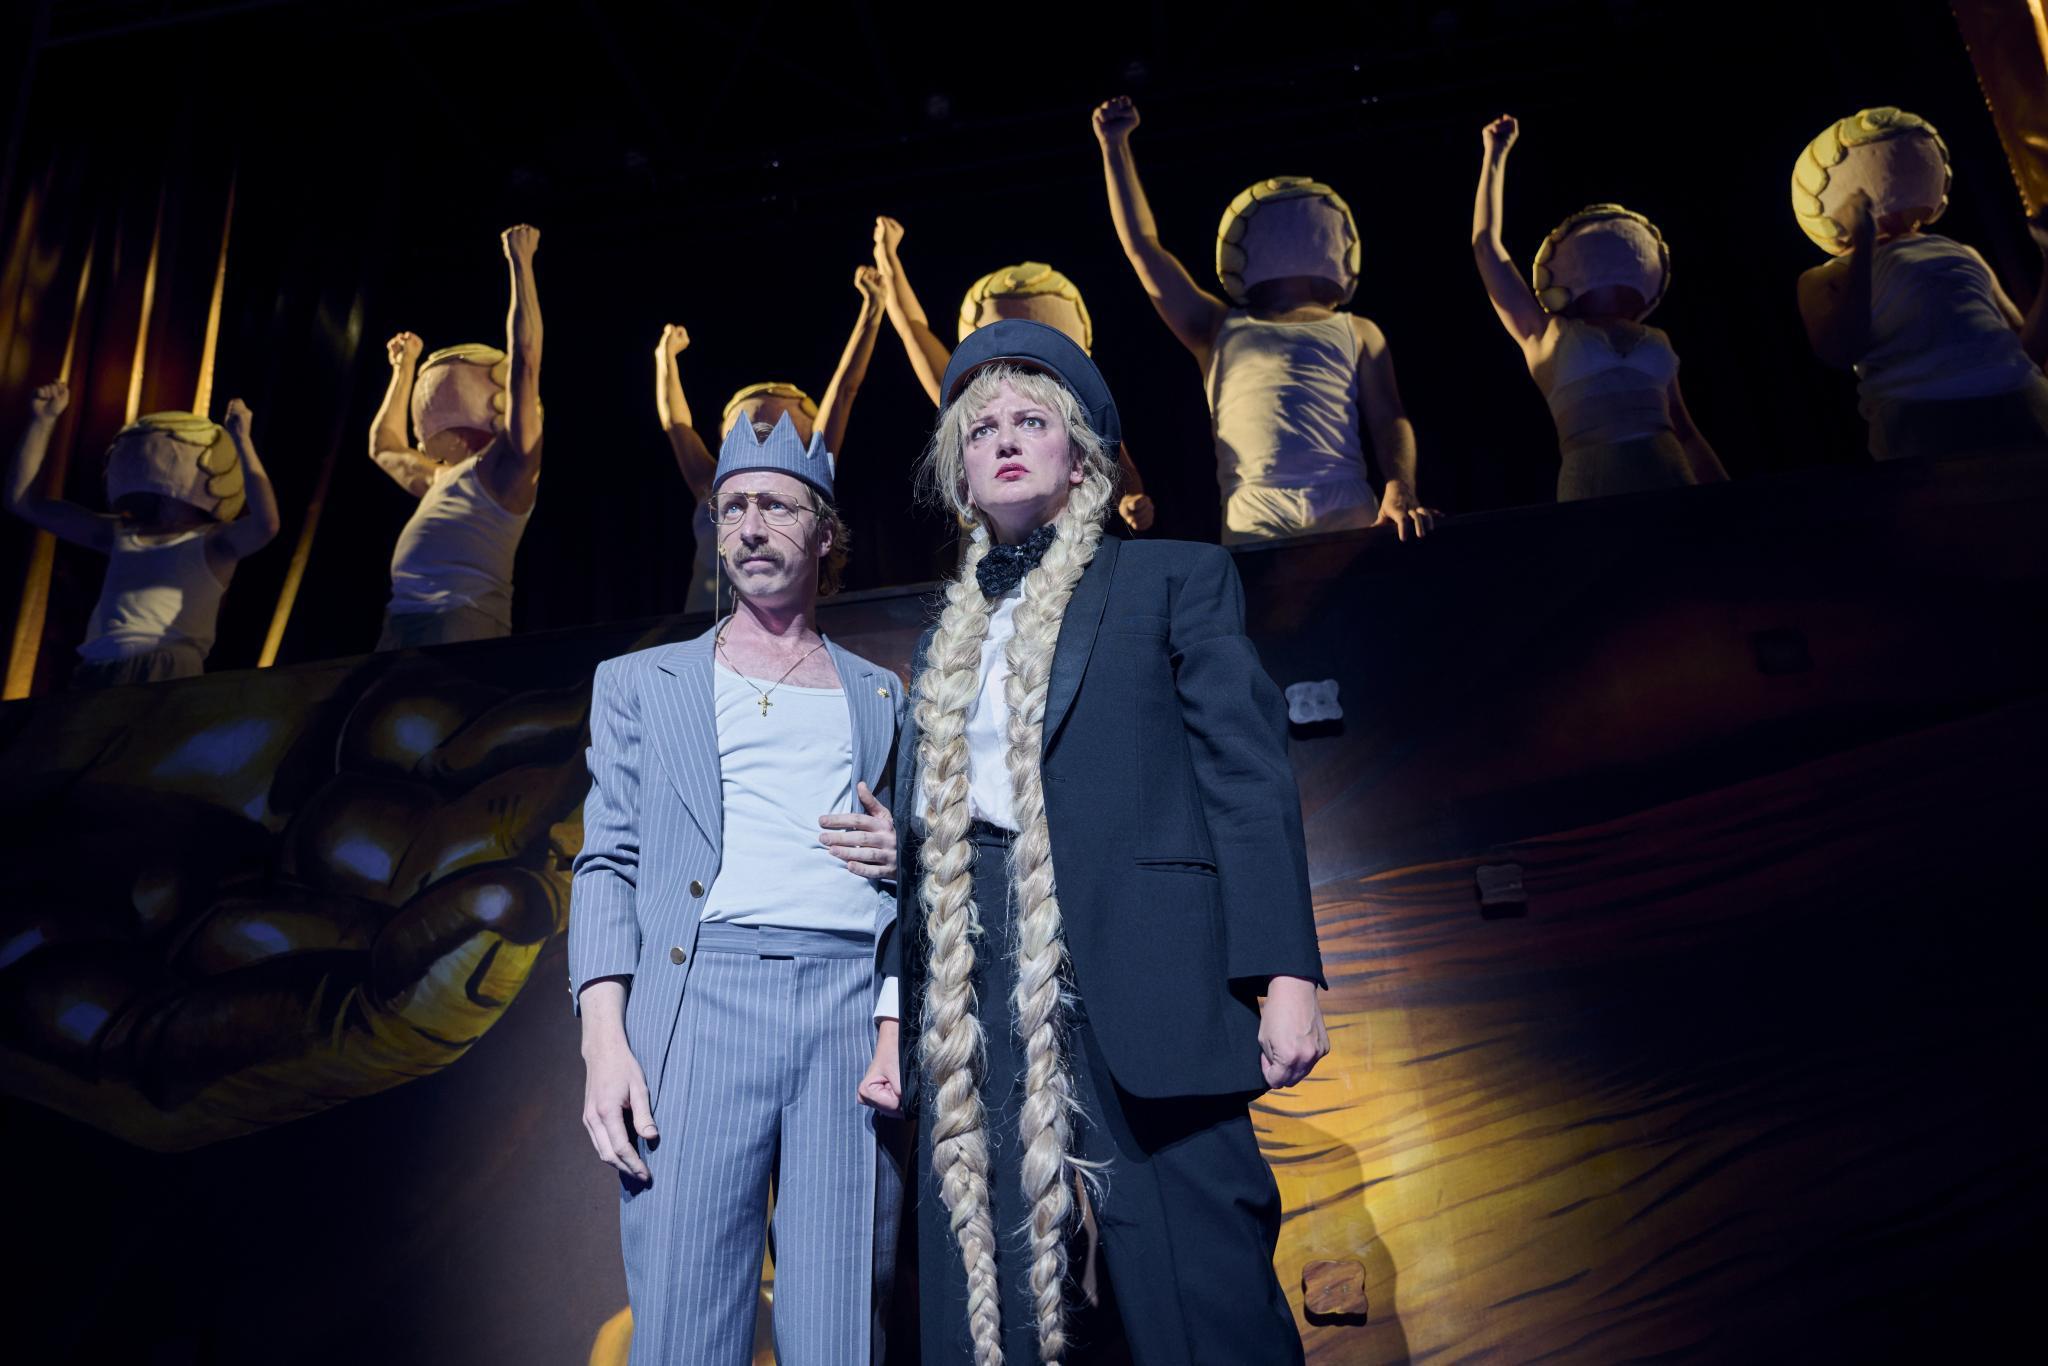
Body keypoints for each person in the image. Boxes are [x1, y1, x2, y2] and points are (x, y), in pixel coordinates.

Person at [863, 319, 1329, 1364]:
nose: (1005, 440)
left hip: (1142, 968)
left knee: (1200, 1292)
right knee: (981, 1293)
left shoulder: (1170, 577)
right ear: (959, 472)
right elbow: (920, 843)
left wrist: (1285, 970)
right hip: (974, 976)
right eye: (980, 430)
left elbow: (1245, 778)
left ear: (1081, 453)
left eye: (1032, 421)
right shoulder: (944, 640)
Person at [569, 410, 906, 1365]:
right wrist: (605, 1041)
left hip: (846, 1013)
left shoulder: (880, 693)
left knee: (839, 1323)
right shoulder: (643, 682)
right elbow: (609, 861)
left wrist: (901, 852)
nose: (752, 526)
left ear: (825, 532)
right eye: (734, 508)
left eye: (777, 506)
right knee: (682, 1318)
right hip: (704, 1002)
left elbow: (915, 882)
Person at [1092, 95, 1432, 543]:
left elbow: (1391, 418)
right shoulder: (1215, 327)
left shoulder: (1359, 330)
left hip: (1346, 500)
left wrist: (1400, 486)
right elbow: (1143, 246)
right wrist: (1114, 146)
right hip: (1255, 509)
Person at [1471, 114, 1727, 499]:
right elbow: (1486, 247)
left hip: (1673, 481)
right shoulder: (1544, 333)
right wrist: (1495, 155)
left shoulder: (1657, 338)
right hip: (1595, 489)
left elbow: (1687, 432)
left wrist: (1731, 502)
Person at [869, 214, 1156, 533]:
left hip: (1068, 552)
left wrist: (1132, 500)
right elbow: (914, 329)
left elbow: (1119, 465)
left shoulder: (1074, 409)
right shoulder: (970, 401)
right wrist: (888, 257)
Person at [1793, 106, 2048, 462]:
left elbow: (2022, 348)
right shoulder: (1828, 274)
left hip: (2025, 408)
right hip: (1926, 425)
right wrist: (1864, 243)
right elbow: (1838, 348)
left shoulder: (1962, 253)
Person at [5, 382, 280, 686]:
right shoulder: (120, 532)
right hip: (99, 667)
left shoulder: (215, 541)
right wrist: (42, 422)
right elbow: (24, 503)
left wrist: (242, 441)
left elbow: (267, 524)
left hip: (166, 672)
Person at [654, 262, 887, 614]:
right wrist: (665, 360)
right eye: (746, 427)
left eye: (780, 426)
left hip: (783, 639)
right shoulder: (711, 484)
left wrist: (874, 306)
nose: (761, 436)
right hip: (704, 638)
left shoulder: (808, 471)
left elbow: (843, 390)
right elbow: (676, 424)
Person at [367, 223, 543, 648]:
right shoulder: (437, 478)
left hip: (463, 620)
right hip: (402, 619)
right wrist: (403, 369)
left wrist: (520, 263)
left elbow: (524, 360)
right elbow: (384, 446)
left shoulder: (508, 468)